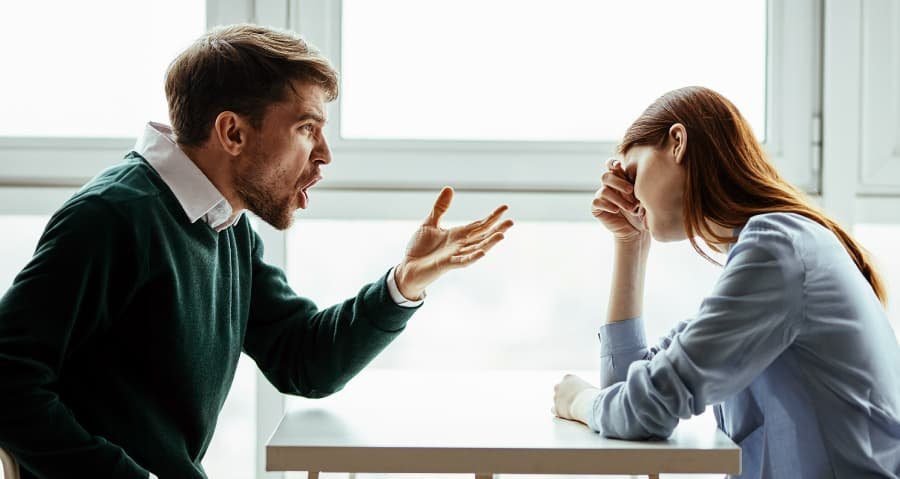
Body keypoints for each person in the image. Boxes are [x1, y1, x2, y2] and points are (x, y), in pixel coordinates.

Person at [0, 24, 513, 479]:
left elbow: (303, 360)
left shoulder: (223, 224)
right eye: (306, 128)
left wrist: (405, 283)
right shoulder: (113, 217)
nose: (325, 154)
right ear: (232, 132)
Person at [552, 86, 900, 478]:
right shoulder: (766, 256)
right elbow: (629, 399)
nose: (629, 198)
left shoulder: (776, 250)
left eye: (632, 174)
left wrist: (580, 402)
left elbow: (645, 411)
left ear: (677, 143)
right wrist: (630, 244)